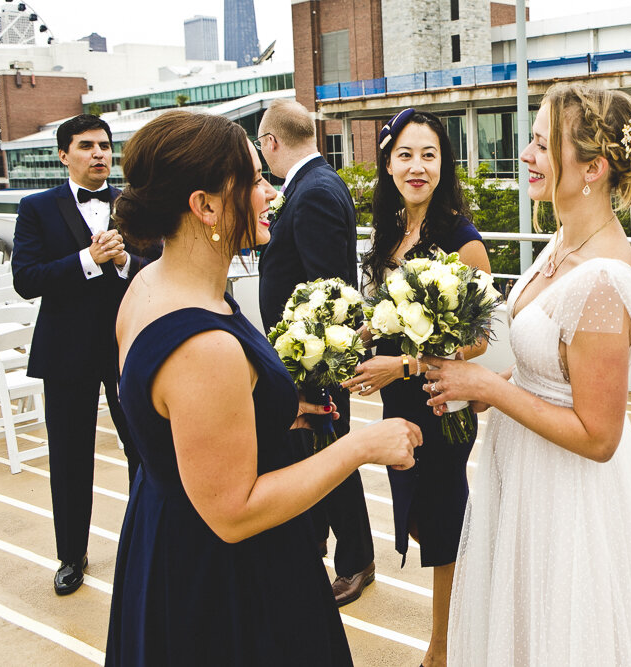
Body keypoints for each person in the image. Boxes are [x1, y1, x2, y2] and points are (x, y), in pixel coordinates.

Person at [423, 83, 631, 665]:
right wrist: (485, 391)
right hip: (521, 472)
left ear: (592, 168)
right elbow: (550, 370)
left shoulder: (604, 280)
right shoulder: (562, 243)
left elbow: (600, 437)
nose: (526, 154)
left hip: (565, 495)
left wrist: (490, 386)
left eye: (544, 145)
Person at [104, 111, 419, 665]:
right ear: (204, 206)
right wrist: (363, 446)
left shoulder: (148, 284)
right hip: (227, 579)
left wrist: (268, 410)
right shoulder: (204, 346)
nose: (269, 192)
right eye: (253, 181)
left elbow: (177, 421)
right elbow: (234, 512)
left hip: (162, 538)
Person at [339, 108, 491, 667]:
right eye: (405, 154)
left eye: (429, 154)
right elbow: (386, 315)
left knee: (444, 522)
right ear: (387, 162)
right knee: (424, 520)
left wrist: (399, 366)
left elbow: (477, 341)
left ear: (444, 163)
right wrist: (351, 336)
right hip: (400, 402)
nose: (417, 166)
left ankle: (443, 648)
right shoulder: (390, 231)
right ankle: (469, 610)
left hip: (440, 405)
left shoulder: (461, 239)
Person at [11, 114, 148, 596]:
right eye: (87, 145)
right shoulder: (36, 207)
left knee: (142, 449)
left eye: (106, 146)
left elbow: (156, 264)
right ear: (63, 154)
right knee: (70, 458)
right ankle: (71, 555)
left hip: (127, 346)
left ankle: (142, 545)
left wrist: (124, 259)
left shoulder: (133, 204)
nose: (99, 154)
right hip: (66, 352)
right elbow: (26, 279)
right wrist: (87, 261)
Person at [256, 99, 376, 606]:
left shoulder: (313, 193)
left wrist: (313, 378)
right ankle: (329, 546)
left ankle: (355, 561)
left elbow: (329, 290)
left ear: (271, 143)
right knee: (319, 457)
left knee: (331, 458)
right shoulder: (313, 184)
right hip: (304, 358)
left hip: (315, 364)